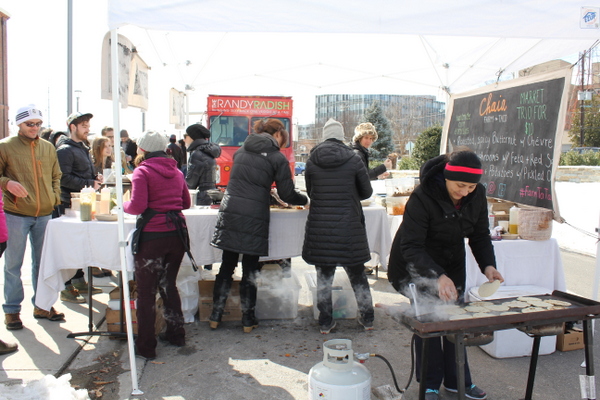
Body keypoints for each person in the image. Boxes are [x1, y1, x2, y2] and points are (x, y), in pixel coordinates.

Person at [387, 149, 504, 400]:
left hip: (452, 260)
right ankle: (429, 384)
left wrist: (488, 266)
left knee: (455, 321)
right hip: (417, 263)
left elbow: (480, 234)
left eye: (471, 187)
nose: (465, 192)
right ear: (447, 178)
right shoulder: (423, 196)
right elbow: (411, 246)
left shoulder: (477, 194)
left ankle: (458, 381)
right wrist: (437, 276)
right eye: (460, 185)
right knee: (430, 323)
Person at [210, 119, 308, 333]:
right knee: (250, 267)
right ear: (279, 134)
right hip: (254, 213)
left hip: (231, 209)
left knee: (227, 265)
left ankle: (215, 316)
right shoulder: (276, 158)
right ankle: (247, 319)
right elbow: (287, 194)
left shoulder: (241, 151)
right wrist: (306, 200)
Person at [302, 118, 375, 334]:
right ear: (342, 136)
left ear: (325, 136)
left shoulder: (312, 160)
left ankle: (325, 322)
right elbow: (367, 192)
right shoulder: (354, 158)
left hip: (321, 226)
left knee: (324, 276)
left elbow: (310, 192)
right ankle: (368, 319)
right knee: (357, 273)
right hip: (349, 226)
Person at [123, 130, 191, 360]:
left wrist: (123, 204)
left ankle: (146, 346)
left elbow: (137, 206)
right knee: (168, 285)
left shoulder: (142, 171)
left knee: (146, 292)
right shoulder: (176, 170)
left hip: (153, 236)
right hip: (177, 235)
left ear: (142, 150)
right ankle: (176, 334)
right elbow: (185, 203)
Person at [1, 105, 64, 330]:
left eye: (38, 124)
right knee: (13, 264)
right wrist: (7, 183)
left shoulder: (48, 147)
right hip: (16, 213)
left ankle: (42, 305)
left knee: (43, 263)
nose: (35, 128)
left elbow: (56, 175)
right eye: (30, 124)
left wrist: (54, 197)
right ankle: (12, 310)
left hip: (45, 214)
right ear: (19, 124)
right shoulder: (5, 146)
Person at [56, 112, 103, 303]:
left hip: (81, 203)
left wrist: (94, 179)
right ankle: (66, 287)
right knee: (70, 247)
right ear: (72, 127)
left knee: (80, 245)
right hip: (69, 204)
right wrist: (90, 182)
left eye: (88, 125)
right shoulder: (65, 150)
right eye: (84, 125)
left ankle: (79, 280)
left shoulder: (81, 147)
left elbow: (82, 173)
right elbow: (63, 178)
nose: (88, 129)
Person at [184, 124, 221, 206]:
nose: (184, 140)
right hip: (210, 195)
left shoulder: (197, 154)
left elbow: (191, 182)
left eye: (186, 136)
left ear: (192, 137)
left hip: (201, 198)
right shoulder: (208, 151)